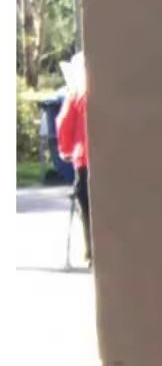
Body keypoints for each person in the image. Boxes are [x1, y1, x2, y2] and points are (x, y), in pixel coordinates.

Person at [56, 56, 91, 266]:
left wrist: (66, 151)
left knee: (86, 206)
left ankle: (91, 250)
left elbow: (63, 124)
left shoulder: (76, 93)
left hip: (83, 158)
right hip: (105, 159)